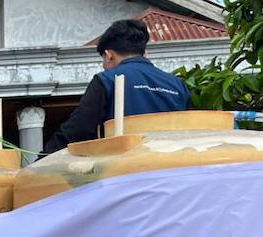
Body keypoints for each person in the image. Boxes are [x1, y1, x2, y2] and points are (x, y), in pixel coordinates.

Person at [46, 19, 190, 152]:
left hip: (124, 170)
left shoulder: (107, 80)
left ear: (109, 55)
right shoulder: (178, 85)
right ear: (145, 53)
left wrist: (42, 159)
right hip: (170, 169)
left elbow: (79, 129)